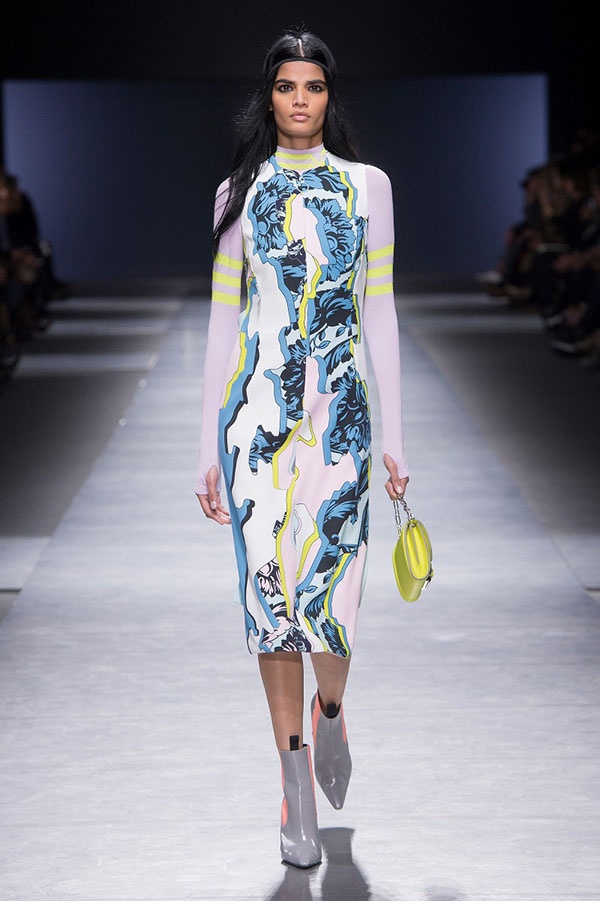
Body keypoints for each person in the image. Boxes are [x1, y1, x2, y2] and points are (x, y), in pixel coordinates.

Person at [195, 29, 409, 869]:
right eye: (286, 86)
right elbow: (223, 319)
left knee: (333, 602)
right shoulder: (237, 193)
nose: (299, 100)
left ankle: (330, 710)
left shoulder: (368, 186)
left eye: (313, 86)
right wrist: (205, 444)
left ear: (329, 96)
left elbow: (379, 309)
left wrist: (395, 434)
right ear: (270, 95)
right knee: (270, 606)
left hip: (342, 419)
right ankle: (295, 793)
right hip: (256, 424)